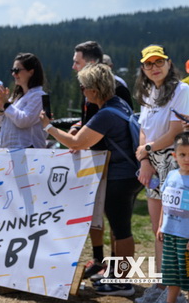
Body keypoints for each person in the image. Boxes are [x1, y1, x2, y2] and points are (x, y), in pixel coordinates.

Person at [40, 63, 143, 297]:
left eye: (83, 87)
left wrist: (49, 127)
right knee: (120, 229)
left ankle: (122, 283)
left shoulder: (105, 114)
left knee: (122, 231)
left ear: (94, 91)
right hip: (130, 174)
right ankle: (118, 277)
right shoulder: (120, 105)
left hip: (119, 178)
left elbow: (76, 143)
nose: (82, 92)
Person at [71, 41, 134, 280]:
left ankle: (119, 275)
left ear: (91, 62)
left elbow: (119, 122)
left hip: (115, 165)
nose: (73, 66)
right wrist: (80, 126)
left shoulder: (115, 87)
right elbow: (91, 119)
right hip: (98, 161)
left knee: (118, 223)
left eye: (77, 62)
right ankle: (101, 262)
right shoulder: (89, 86)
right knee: (98, 215)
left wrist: (50, 127)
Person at [134, 45, 189, 303]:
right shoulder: (148, 93)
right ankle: (160, 283)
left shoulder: (182, 91)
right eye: (149, 63)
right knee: (158, 227)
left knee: (175, 229)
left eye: (159, 62)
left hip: (173, 161)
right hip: (153, 162)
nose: (154, 67)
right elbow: (143, 130)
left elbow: (175, 133)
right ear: (143, 68)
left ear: (169, 63)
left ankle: (175, 291)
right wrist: (145, 160)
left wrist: (146, 150)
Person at [156, 132, 189, 303]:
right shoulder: (171, 175)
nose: (187, 159)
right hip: (170, 234)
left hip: (186, 237)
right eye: (182, 154)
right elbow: (165, 203)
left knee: (187, 273)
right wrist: (161, 225)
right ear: (175, 156)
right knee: (171, 273)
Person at [0, 52, 47, 149]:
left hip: (28, 152)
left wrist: (6, 105)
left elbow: (24, 121)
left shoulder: (38, 96)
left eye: (17, 70)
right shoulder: (16, 97)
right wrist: (1, 108)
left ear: (31, 72)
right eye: (12, 70)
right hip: (5, 150)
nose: (13, 74)